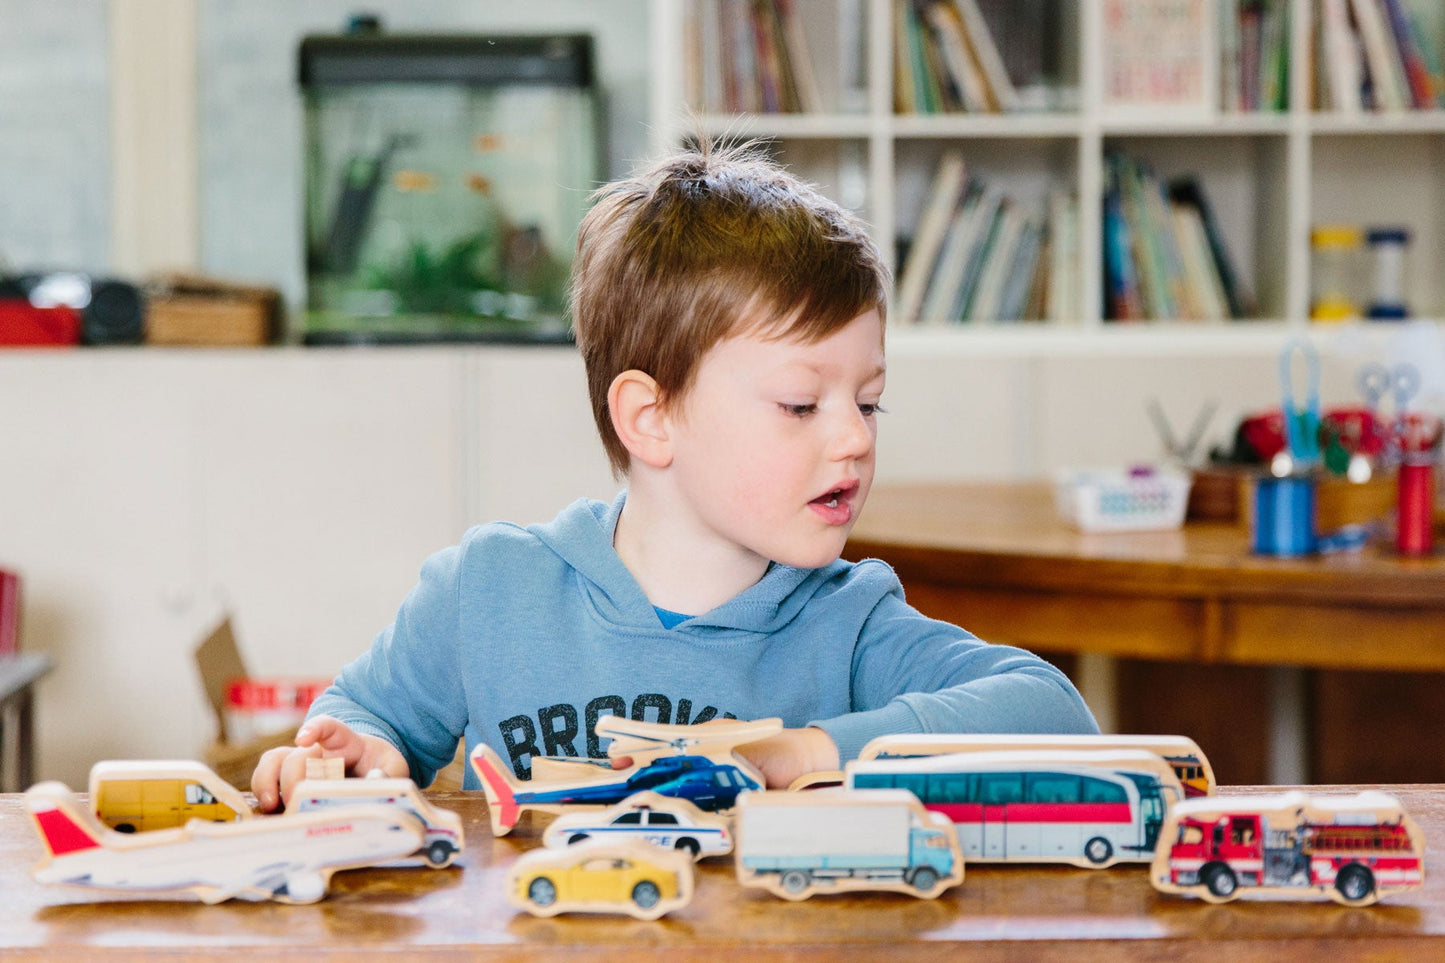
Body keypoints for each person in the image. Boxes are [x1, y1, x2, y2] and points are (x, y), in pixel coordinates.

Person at [252, 141, 1097, 812]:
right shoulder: (488, 588)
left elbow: (1053, 714)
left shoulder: (847, 620)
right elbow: (365, 719)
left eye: (868, 403)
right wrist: (358, 752)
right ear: (650, 418)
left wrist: (808, 751)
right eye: (801, 404)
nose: (851, 437)